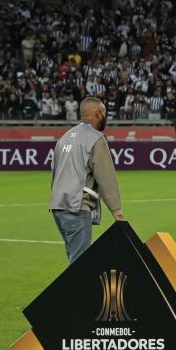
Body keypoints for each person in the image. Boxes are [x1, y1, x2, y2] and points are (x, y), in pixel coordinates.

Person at [49, 97, 125, 264]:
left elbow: (54, 173)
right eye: (104, 113)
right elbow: (106, 177)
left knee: (74, 258)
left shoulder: (64, 138)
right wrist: (117, 211)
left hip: (58, 206)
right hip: (77, 207)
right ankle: (71, 290)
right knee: (80, 266)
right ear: (98, 113)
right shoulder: (96, 138)